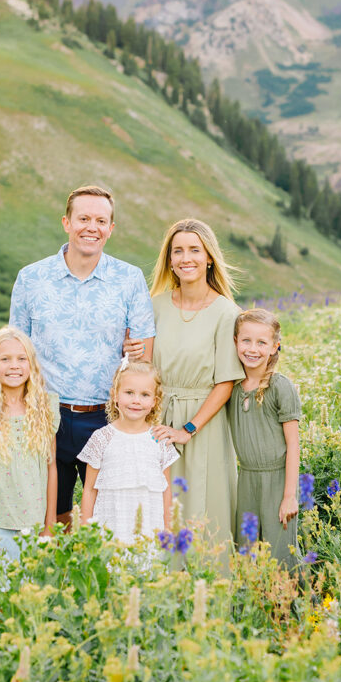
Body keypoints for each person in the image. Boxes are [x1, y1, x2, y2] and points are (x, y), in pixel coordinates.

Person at [9, 185, 155, 527]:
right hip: (45, 415)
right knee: (50, 513)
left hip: (106, 417)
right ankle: (52, 577)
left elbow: (143, 357)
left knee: (105, 514)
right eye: (84, 218)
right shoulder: (31, 278)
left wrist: (131, 351)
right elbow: (15, 352)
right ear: (66, 222)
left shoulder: (129, 279)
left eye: (101, 220)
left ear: (111, 229)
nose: (92, 227)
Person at [146, 219, 244, 556]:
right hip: (157, 420)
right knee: (159, 510)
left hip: (206, 424)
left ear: (209, 258)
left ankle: (209, 595)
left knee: (204, 509)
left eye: (194, 250)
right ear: (169, 259)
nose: (186, 258)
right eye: (178, 251)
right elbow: (143, 366)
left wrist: (188, 428)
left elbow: (226, 382)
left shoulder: (225, 312)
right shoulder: (155, 305)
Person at [0, 326, 58, 586]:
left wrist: (50, 525)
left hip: (34, 526)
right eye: (5, 359)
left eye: (21, 358)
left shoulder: (45, 409)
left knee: (29, 601)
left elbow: (51, 468)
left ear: (31, 365)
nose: (13, 366)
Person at [227, 308, 301, 569]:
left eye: (262, 342)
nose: (252, 349)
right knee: (246, 552)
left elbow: (293, 445)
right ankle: (252, 608)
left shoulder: (280, 387)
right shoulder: (232, 387)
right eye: (246, 340)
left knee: (280, 552)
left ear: (274, 347)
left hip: (278, 480)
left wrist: (289, 495)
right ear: (235, 342)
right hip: (246, 479)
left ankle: (289, 608)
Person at [78, 358, 178, 542]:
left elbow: (166, 489)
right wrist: (85, 532)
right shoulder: (102, 438)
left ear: (155, 401)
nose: (136, 401)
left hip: (149, 530)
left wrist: (168, 529)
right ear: (115, 395)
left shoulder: (160, 440)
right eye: (129, 392)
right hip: (111, 528)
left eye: (145, 395)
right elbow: (89, 490)